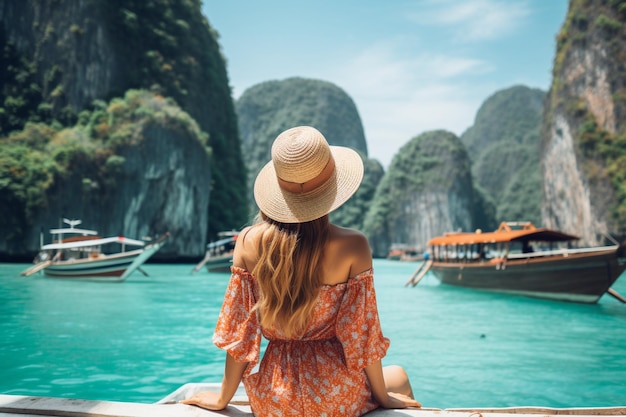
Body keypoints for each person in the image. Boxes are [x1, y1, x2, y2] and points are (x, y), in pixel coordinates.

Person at [182, 126, 421, 415]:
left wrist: (223, 397)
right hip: (335, 393)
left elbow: (241, 336)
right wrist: (384, 399)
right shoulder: (353, 245)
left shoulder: (246, 242)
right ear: (332, 187)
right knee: (401, 377)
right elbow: (362, 336)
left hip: (274, 396)